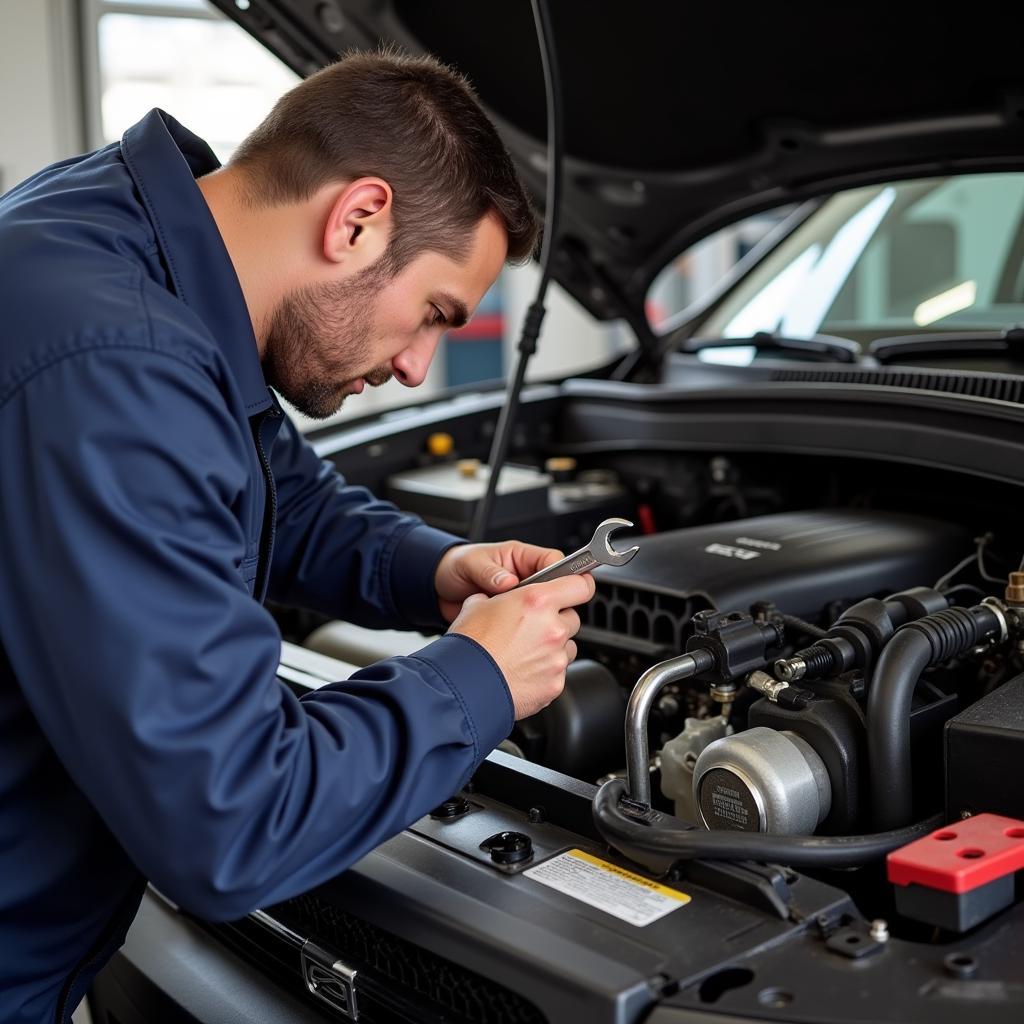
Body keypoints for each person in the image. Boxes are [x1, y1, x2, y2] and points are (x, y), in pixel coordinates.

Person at [0, 50, 594, 1023]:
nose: (414, 367)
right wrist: (474, 679)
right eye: (434, 315)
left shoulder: (128, 236)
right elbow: (233, 821)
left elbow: (276, 489)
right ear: (356, 220)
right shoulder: (119, 366)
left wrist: (434, 570)